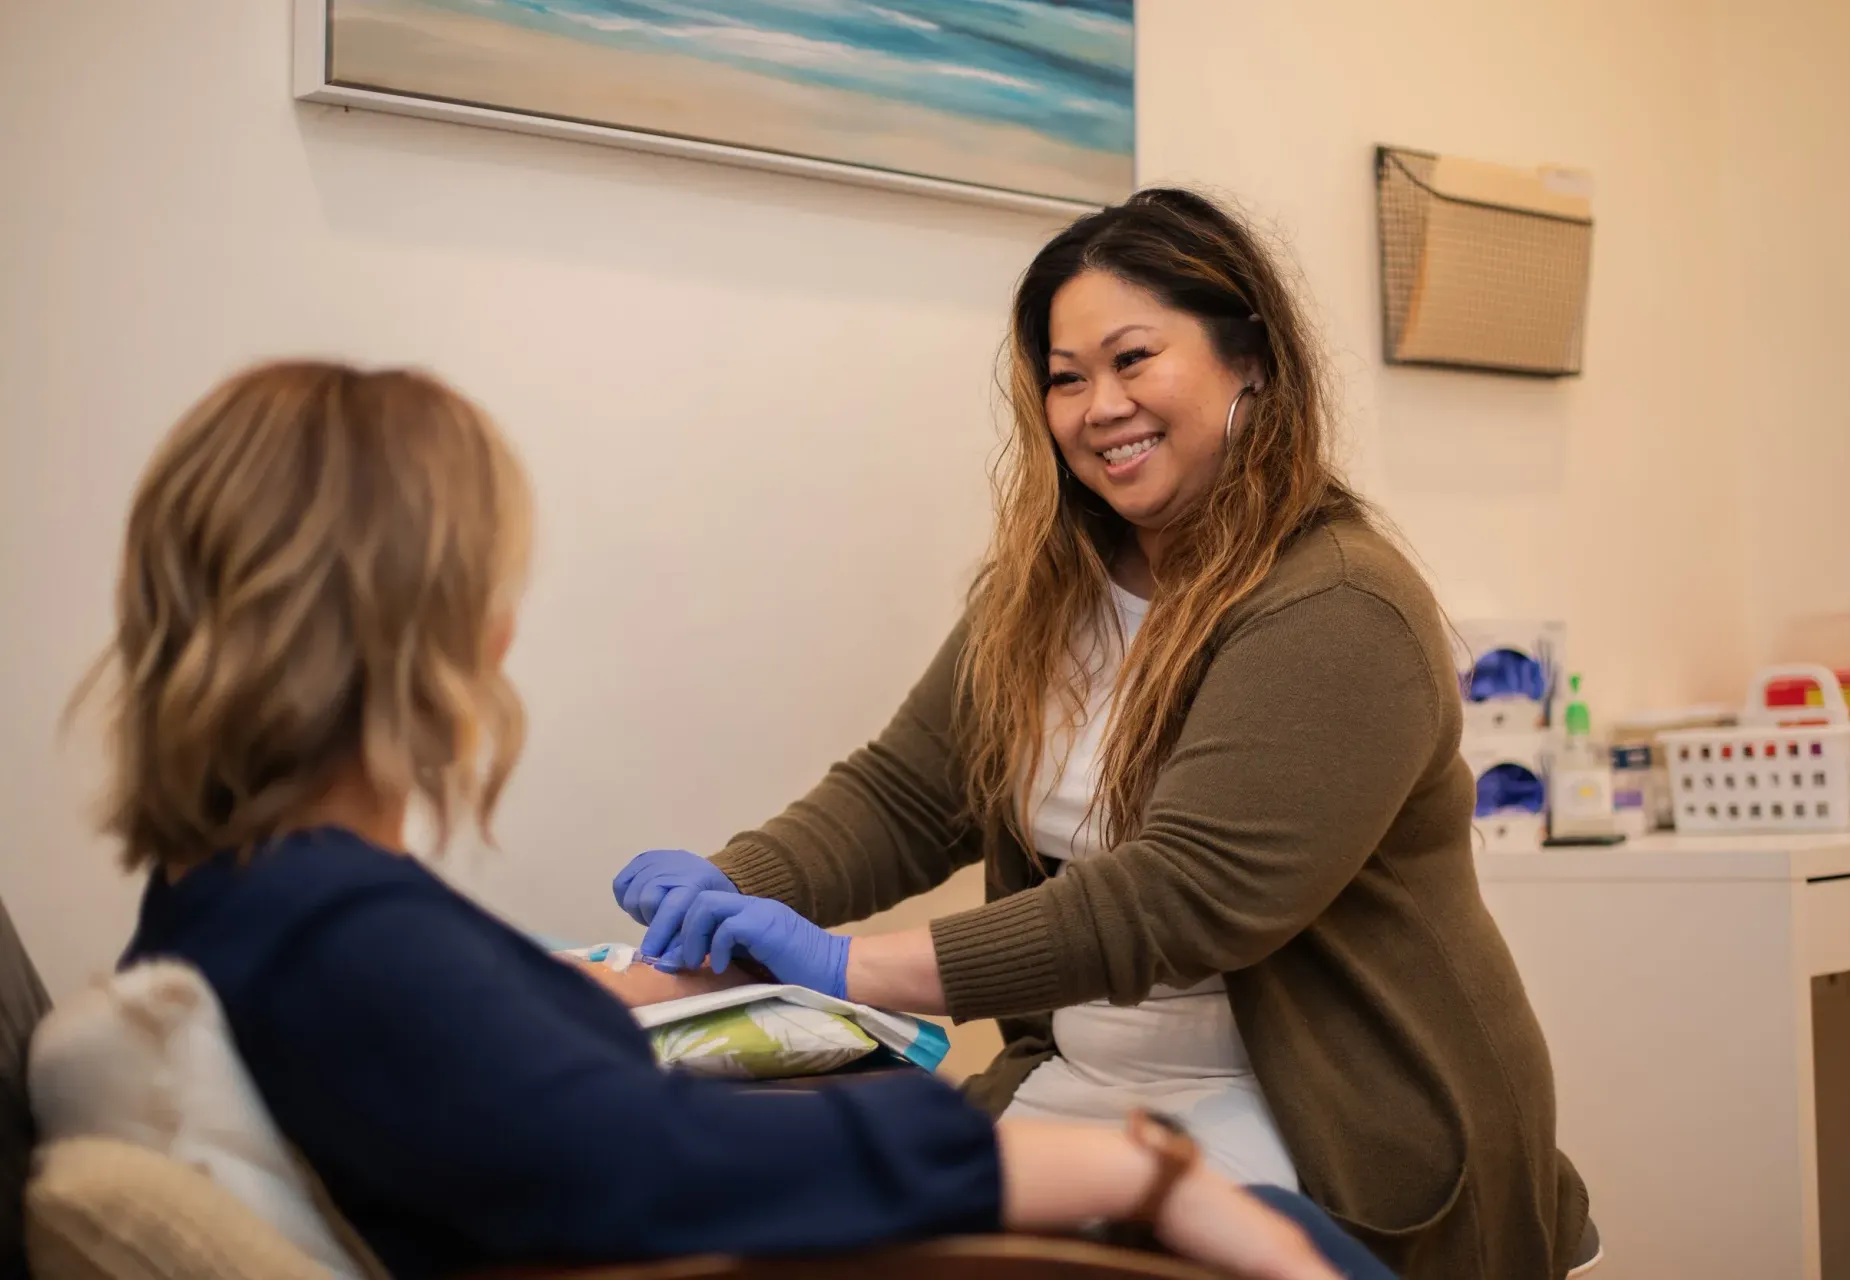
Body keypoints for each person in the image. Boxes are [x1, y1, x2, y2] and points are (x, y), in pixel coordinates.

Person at [82, 360, 1345, 1280]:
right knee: (1296, 1240)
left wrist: (659, 968)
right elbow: (652, 1160)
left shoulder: (247, 891)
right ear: (428, 626)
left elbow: (482, 1051)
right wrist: (1132, 1169)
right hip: (897, 1190)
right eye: (491, 580)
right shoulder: (337, 930)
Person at [615, 189, 1590, 1280]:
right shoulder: (1045, 596)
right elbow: (903, 794)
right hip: (1085, 1086)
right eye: (1066, 377)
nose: (1099, 405)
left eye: (1133, 359)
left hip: (1320, 1127)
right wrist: (728, 892)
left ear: (1250, 360)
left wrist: (847, 964)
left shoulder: (1339, 604)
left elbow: (1181, 895)